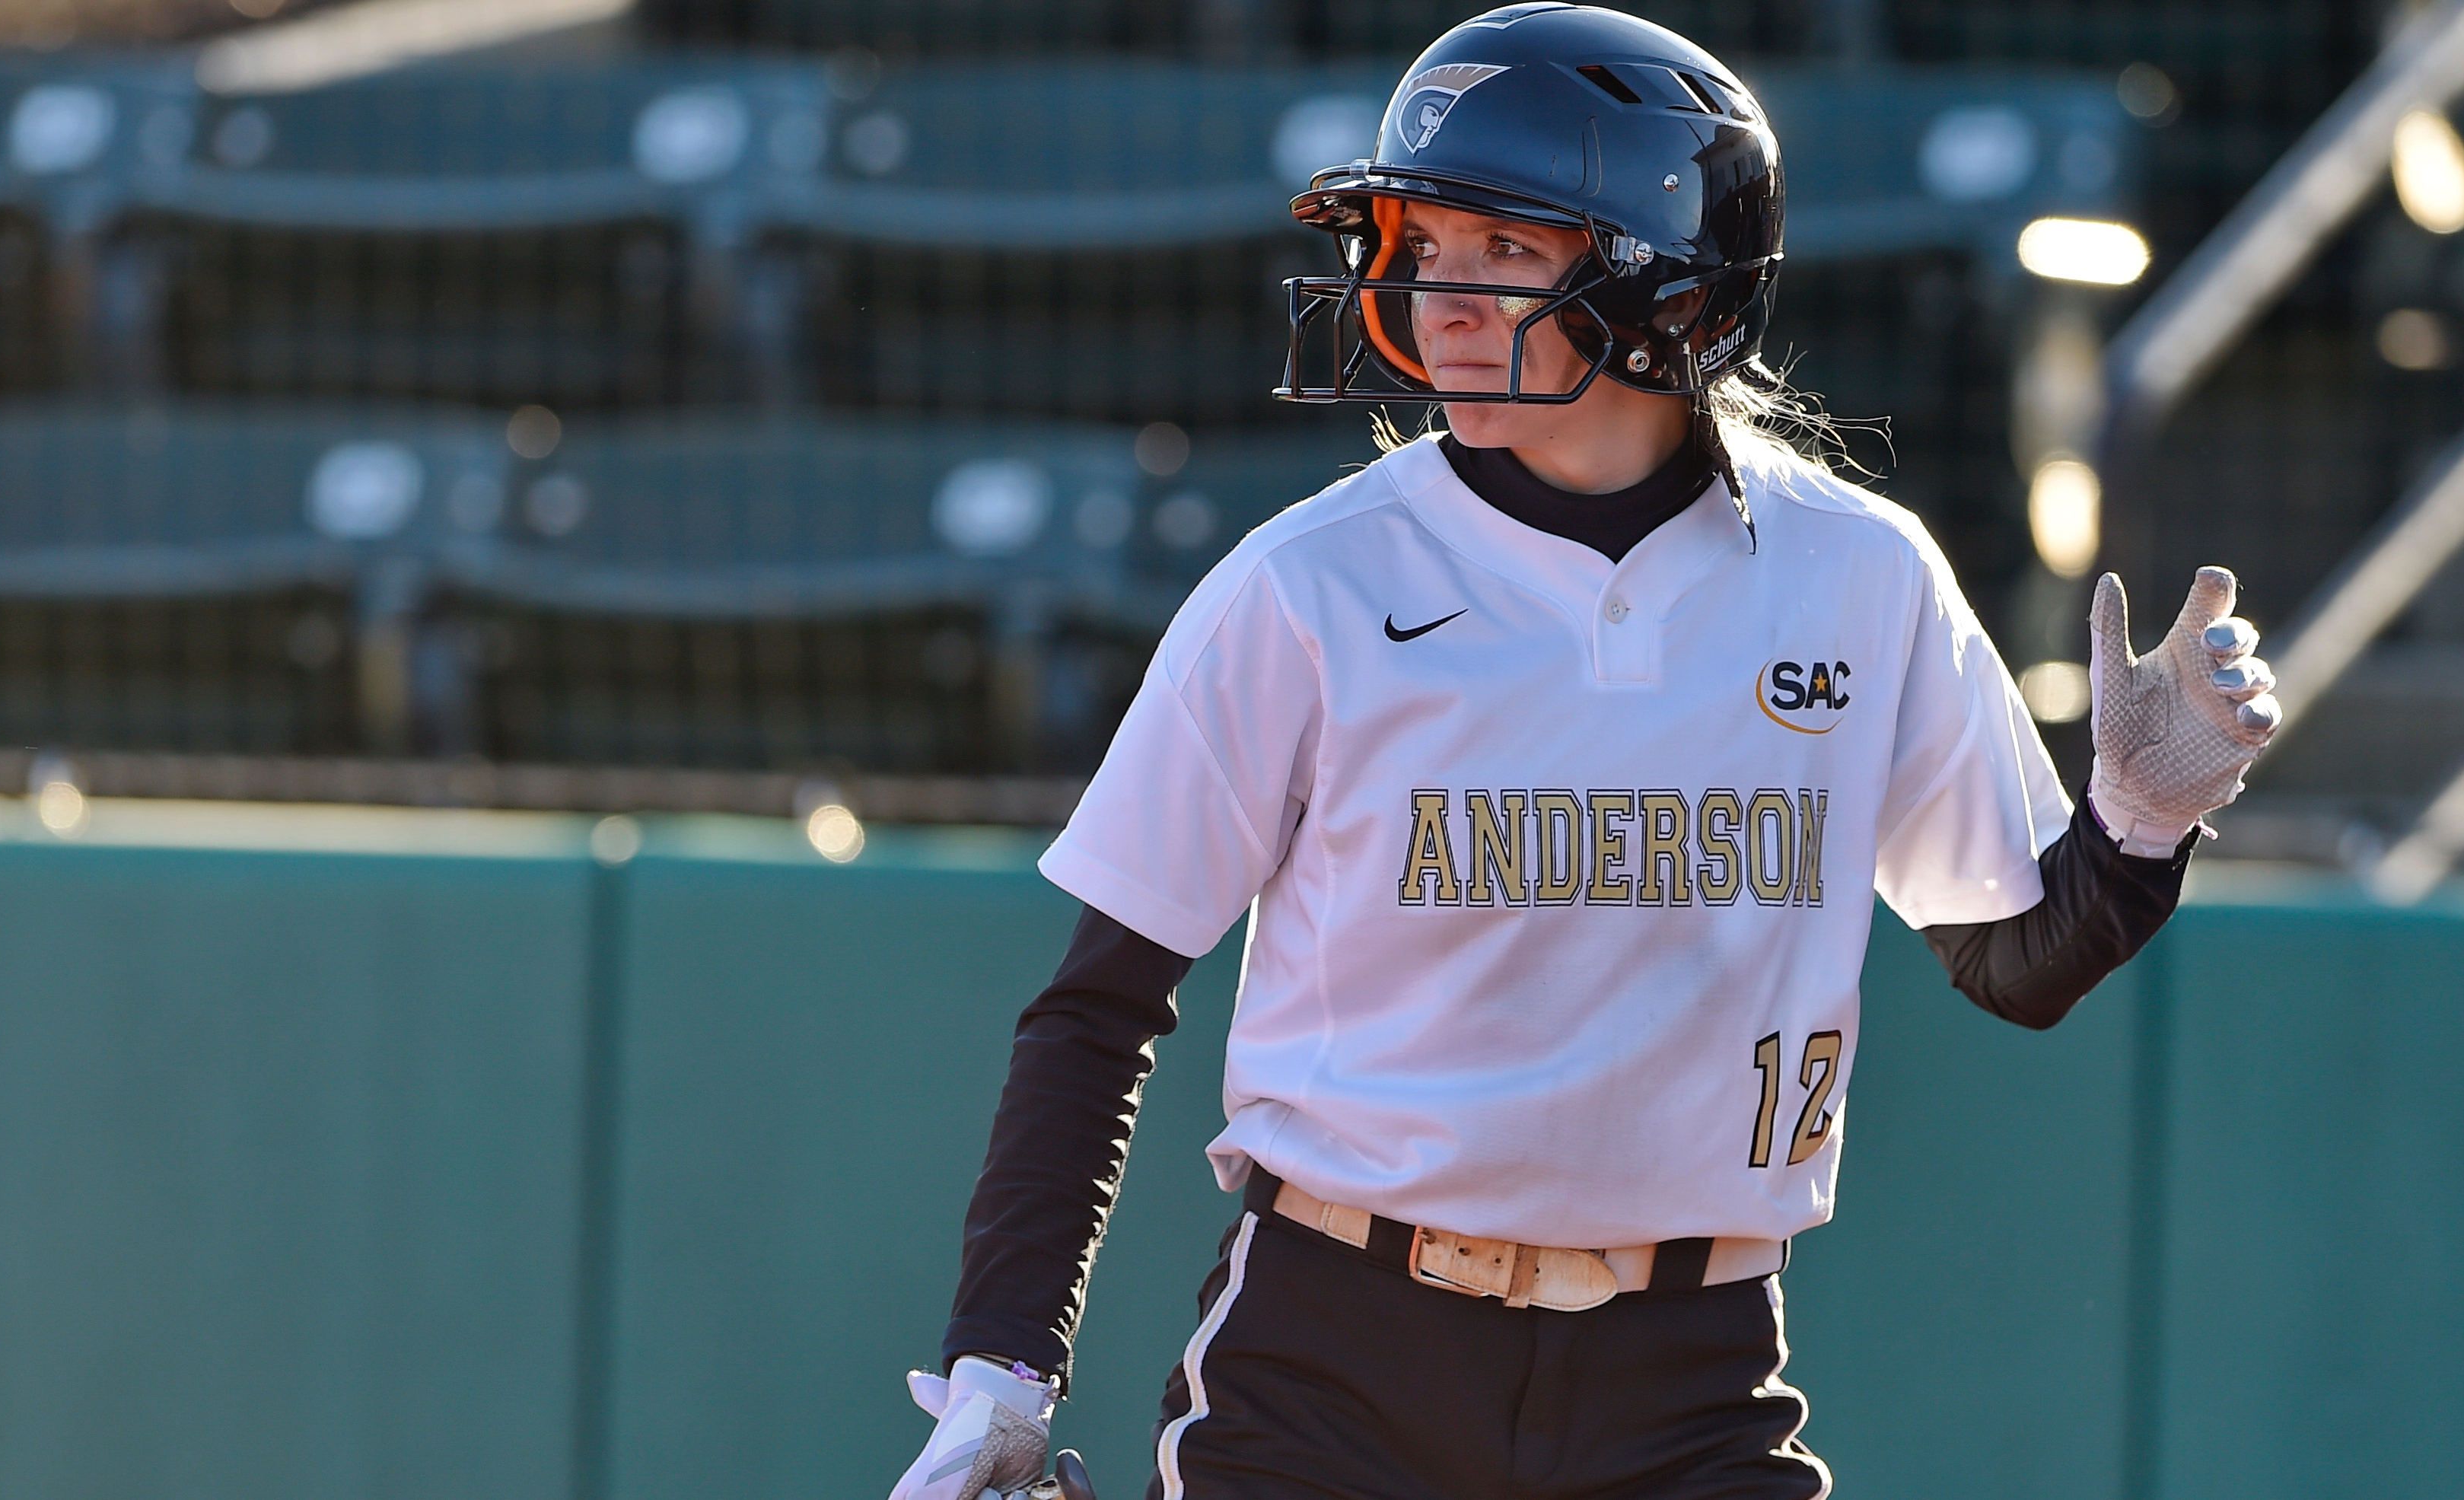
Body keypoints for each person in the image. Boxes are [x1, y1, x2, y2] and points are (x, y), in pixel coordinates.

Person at [888, 8, 2283, 1497]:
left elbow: (2016, 962)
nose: (1441, 299)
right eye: (1422, 250)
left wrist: (2137, 818)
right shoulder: (1306, 586)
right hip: (1331, 1360)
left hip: (1686, 1375)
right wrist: (1003, 1363)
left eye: (1503, 251)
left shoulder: (1855, 575)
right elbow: (1097, 1007)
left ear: (1670, 283)